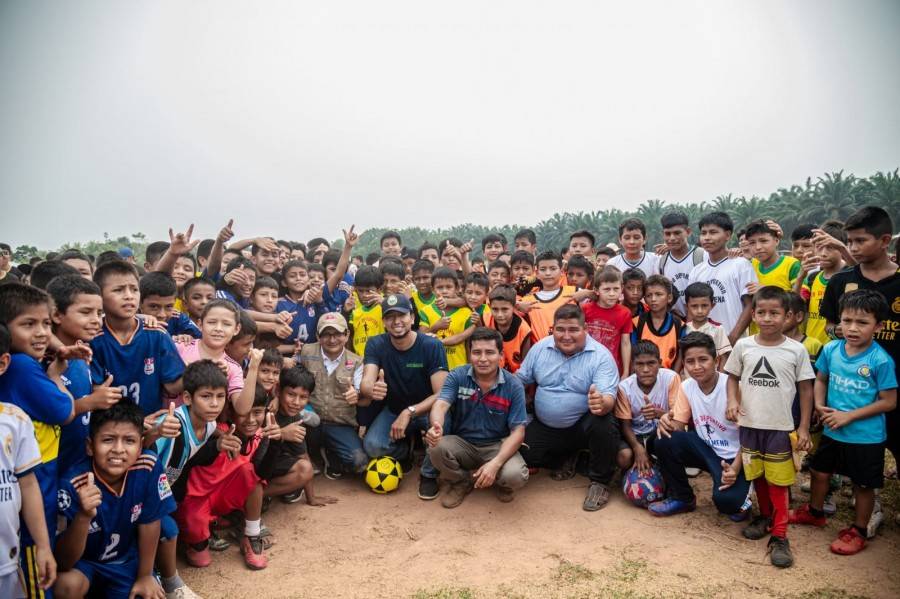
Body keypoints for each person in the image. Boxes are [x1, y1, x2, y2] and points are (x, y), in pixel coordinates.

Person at [790, 290, 897, 555]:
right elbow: (822, 379)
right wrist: (817, 404)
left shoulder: (880, 360)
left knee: (863, 484)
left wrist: (848, 416)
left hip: (865, 436)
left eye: (862, 323)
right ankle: (815, 512)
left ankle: (859, 529)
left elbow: (889, 401)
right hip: (831, 430)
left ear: (879, 326)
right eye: (847, 320)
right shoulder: (831, 349)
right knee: (819, 472)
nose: (852, 328)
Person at [724, 286, 815, 568]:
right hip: (750, 426)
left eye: (774, 313)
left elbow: (806, 391)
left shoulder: (796, 350)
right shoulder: (744, 346)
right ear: (753, 314)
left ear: (789, 316)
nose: (767, 318)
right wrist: (731, 401)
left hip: (779, 428)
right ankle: (765, 517)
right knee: (758, 476)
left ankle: (780, 534)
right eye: (761, 312)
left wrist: (802, 428)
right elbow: (732, 378)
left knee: (779, 481)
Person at [53, 402, 175, 599]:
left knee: (147, 592)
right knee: (66, 586)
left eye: (129, 441)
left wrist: (145, 576)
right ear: (90, 446)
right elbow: (63, 562)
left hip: (126, 562)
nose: (118, 449)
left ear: (140, 445)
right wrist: (83, 517)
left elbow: (150, 522)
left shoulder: (148, 465)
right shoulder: (72, 484)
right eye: (108, 440)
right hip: (85, 565)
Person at [0, 284, 75, 599]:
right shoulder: (22, 365)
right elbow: (65, 410)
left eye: (46, 323)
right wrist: (58, 375)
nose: (42, 332)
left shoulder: (23, 364)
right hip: (33, 494)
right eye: (28, 324)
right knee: (35, 585)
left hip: (32, 489)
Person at [516, 305, 620, 511]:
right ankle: (571, 458)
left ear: (585, 329)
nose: (566, 336)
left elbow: (608, 397)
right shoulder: (540, 348)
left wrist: (602, 403)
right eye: (560, 329)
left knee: (604, 423)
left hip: (582, 426)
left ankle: (600, 482)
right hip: (546, 425)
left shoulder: (600, 356)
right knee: (524, 453)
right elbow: (520, 379)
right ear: (552, 329)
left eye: (573, 330)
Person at [818, 207, 900, 469]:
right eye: (849, 240)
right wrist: (837, 332)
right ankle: (864, 494)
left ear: (885, 240)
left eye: (860, 241)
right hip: (852, 387)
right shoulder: (841, 281)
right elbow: (829, 325)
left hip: (893, 378)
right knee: (852, 450)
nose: (852, 248)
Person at [176, 389, 281, 571]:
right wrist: (216, 446)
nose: (250, 420)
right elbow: (191, 460)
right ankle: (195, 537)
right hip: (195, 501)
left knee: (251, 473)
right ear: (232, 411)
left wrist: (275, 442)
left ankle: (252, 535)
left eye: (257, 412)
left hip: (224, 499)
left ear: (265, 412)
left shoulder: (259, 435)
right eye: (243, 414)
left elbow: (262, 474)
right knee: (201, 560)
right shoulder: (216, 430)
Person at [425, 328, 529, 508]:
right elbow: (441, 404)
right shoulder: (457, 375)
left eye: (489, 352)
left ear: (500, 355)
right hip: (463, 444)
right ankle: (461, 481)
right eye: (476, 352)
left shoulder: (513, 385)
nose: (482, 359)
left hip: (497, 445)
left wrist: (495, 464)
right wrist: (436, 425)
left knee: (515, 476)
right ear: (469, 354)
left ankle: (501, 483)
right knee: (435, 447)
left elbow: (518, 431)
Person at [359, 294, 449, 500]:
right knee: (373, 446)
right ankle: (404, 452)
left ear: (412, 317)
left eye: (402, 315)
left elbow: (442, 393)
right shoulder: (376, 344)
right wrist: (370, 389)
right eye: (390, 317)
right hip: (394, 410)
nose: (396, 321)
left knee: (439, 435)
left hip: (427, 410)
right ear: (383, 322)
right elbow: (367, 379)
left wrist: (410, 412)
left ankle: (428, 474)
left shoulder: (431, 345)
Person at [650, 332, 750, 519]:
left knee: (729, 503)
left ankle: (745, 497)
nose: (696, 367)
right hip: (706, 449)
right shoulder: (687, 386)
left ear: (717, 360)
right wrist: (666, 421)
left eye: (703, 359)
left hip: (736, 456)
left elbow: (751, 437)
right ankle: (682, 497)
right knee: (663, 438)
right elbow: (678, 426)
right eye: (690, 361)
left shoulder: (734, 387)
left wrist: (736, 468)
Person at [0, 323, 57, 598]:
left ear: (3, 364)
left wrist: (43, 546)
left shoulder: (14, 420)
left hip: (8, 561)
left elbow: (29, 485)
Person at [89, 261, 185, 416]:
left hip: (153, 426)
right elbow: (95, 392)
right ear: (99, 296)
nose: (129, 296)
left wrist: (202, 370)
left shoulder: (157, 334)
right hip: (111, 429)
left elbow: (172, 386)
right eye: (119, 290)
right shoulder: (93, 338)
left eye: (134, 289)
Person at [47, 275, 120, 475]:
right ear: (56, 315)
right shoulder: (45, 361)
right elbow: (48, 415)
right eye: (86, 312)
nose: (96, 321)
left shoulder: (81, 354)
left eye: (99, 313)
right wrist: (90, 402)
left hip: (77, 465)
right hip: (51, 469)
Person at [299, 313, 367, 478]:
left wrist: (355, 394)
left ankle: (331, 454)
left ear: (347, 335)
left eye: (337, 334)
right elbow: (295, 380)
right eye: (326, 334)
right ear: (317, 336)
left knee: (359, 461)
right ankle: (315, 456)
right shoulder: (306, 352)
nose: (332, 339)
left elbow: (358, 390)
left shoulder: (356, 361)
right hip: (309, 421)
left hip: (340, 424)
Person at [174, 299, 256, 416]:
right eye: (212, 322)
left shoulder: (232, 368)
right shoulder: (181, 348)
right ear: (200, 324)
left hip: (202, 432)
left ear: (236, 329)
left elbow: (242, 409)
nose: (218, 328)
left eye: (226, 324)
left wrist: (253, 368)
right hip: (166, 423)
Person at [614, 341, 685, 473]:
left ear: (659, 362)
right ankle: (630, 471)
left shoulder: (671, 378)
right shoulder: (624, 387)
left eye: (651, 363)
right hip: (635, 435)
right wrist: (637, 448)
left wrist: (659, 413)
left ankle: (665, 471)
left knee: (673, 438)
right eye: (640, 364)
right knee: (624, 457)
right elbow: (625, 425)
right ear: (633, 365)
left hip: (659, 432)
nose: (646, 370)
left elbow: (678, 418)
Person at [688, 211, 758, 345]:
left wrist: (731, 339)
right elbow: (691, 310)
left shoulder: (741, 265)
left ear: (727, 235)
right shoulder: (696, 271)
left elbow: (750, 305)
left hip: (735, 343)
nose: (707, 238)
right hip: (703, 346)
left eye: (713, 232)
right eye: (704, 233)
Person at [745, 219, 801, 335]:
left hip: (786, 336)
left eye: (764, 241)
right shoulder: (750, 265)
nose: (758, 247)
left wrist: (766, 290)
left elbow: (800, 300)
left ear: (776, 240)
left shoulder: (792, 265)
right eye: (752, 243)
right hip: (757, 337)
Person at [799, 221, 846, 345]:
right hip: (811, 346)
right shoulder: (812, 278)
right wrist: (800, 276)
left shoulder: (849, 275)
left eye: (830, 247)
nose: (823, 253)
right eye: (819, 247)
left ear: (842, 247)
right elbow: (796, 305)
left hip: (837, 348)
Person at [581, 266, 633, 377]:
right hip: (585, 364)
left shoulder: (625, 313)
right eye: (607, 289)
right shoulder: (585, 309)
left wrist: (626, 371)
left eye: (616, 289)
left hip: (611, 368)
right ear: (596, 290)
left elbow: (625, 343)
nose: (612, 294)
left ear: (622, 288)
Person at [419, 267, 474, 369]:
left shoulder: (466, 313)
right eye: (440, 287)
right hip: (434, 368)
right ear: (433, 289)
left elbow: (468, 344)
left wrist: (470, 367)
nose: (444, 291)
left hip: (459, 367)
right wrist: (436, 327)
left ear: (457, 288)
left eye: (449, 287)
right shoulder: (426, 311)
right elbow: (421, 338)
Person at [519, 251, 576, 341]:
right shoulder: (527, 301)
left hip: (570, 349)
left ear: (561, 271)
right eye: (543, 269)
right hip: (541, 352)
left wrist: (589, 294)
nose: (548, 273)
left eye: (553, 268)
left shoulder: (574, 292)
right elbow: (491, 309)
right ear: (537, 273)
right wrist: (516, 304)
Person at [631, 275, 683, 372]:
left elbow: (680, 355)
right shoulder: (636, 323)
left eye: (658, 294)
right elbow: (632, 354)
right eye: (649, 295)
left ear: (669, 297)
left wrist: (674, 376)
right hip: (643, 374)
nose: (653, 299)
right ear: (645, 299)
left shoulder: (679, 325)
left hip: (669, 376)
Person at [659, 211, 705, 318]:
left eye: (677, 233)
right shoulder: (662, 261)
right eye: (667, 234)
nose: (672, 238)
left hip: (700, 322)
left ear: (688, 232)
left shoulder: (702, 255)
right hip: (676, 323)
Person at [682, 282, 731, 370]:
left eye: (704, 306)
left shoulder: (717, 329)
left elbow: (724, 356)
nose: (700, 311)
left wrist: (720, 379)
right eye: (694, 306)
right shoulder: (683, 329)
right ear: (687, 307)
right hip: (689, 379)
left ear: (712, 305)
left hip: (711, 381)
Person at [484, 285, 531, 374]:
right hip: (490, 375)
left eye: (505, 309)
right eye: (495, 309)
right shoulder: (485, 320)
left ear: (514, 307)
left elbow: (526, 369)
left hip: (516, 379)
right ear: (489, 306)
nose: (500, 315)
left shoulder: (523, 330)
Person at [347, 266, 385, 359]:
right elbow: (350, 338)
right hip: (359, 361)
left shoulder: (385, 308)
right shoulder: (355, 313)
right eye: (360, 290)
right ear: (355, 288)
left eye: (369, 291)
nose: (364, 295)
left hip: (381, 361)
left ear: (379, 290)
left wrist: (386, 305)